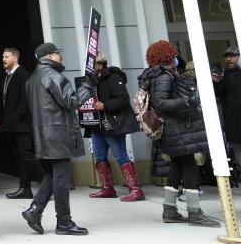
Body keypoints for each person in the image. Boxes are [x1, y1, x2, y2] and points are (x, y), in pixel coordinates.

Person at [139, 40, 218, 227]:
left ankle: (170, 210)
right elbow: (161, 102)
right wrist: (188, 102)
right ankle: (194, 212)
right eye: (172, 54)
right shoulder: (165, 75)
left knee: (176, 166)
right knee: (190, 166)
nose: (176, 57)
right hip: (179, 129)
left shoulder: (159, 75)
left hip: (174, 130)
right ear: (166, 56)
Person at [21, 42, 95, 236]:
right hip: (58, 135)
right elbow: (73, 101)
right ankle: (64, 222)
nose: (60, 56)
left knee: (52, 176)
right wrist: (88, 86)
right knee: (61, 179)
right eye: (57, 54)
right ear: (49, 56)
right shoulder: (53, 76)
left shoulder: (32, 79)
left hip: (43, 135)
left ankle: (35, 210)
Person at [86, 52, 143, 201]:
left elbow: (123, 99)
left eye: (92, 65)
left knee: (121, 155)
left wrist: (104, 105)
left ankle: (135, 189)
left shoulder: (113, 77)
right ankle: (107, 188)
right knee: (100, 157)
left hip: (113, 124)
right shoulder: (92, 80)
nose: (89, 69)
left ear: (99, 64)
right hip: (97, 124)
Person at [0, 48, 41, 199]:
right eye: (2, 57)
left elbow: (25, 102)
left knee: (27, 155)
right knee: (19, 157)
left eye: (6, 56)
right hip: (10, 125)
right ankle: (25, 189)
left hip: (22, 125)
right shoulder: (7, 76)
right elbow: (3, 101)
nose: (3, 59)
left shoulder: (23, 75)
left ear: (15, 58)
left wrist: (13, 118)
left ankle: (50, 183)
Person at [214, 46, 241, 170]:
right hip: (232, 120)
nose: (229, 59)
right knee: (237, 151)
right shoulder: (224, 75)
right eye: (227, 57)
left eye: (233, 56)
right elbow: (220, 93)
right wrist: (215, 82)